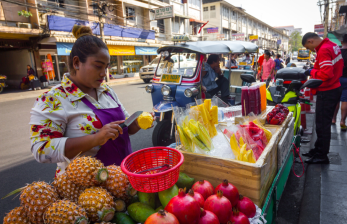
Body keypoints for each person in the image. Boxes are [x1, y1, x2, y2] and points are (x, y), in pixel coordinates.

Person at [29, 25, 154, 176]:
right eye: (98, 66)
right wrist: (96, 138)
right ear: (76, 63)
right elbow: (41, 150)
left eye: (106, 67)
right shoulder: (53, 99)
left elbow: (124, 128)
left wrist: (137, 122)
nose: (103, 73)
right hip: (86, 190)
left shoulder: (107, 91)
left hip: (122, 179)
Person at [301, 32, 343, 164]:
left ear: (311, 41)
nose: (310, 50)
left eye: (308, 47)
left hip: (328, 91)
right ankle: (318, 149)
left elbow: (326, 73)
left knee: (322, 125)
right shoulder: (333, 45)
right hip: (334, 86)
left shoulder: (324, 50)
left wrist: (311, 72)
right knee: (321, 123)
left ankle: (322, 155)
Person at [332, 34, 347, 130]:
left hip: (337, 79)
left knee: (336, 100)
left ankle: (333, 119)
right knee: (345, 100)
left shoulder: (337, 52)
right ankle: (342, 121)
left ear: (341, 42)